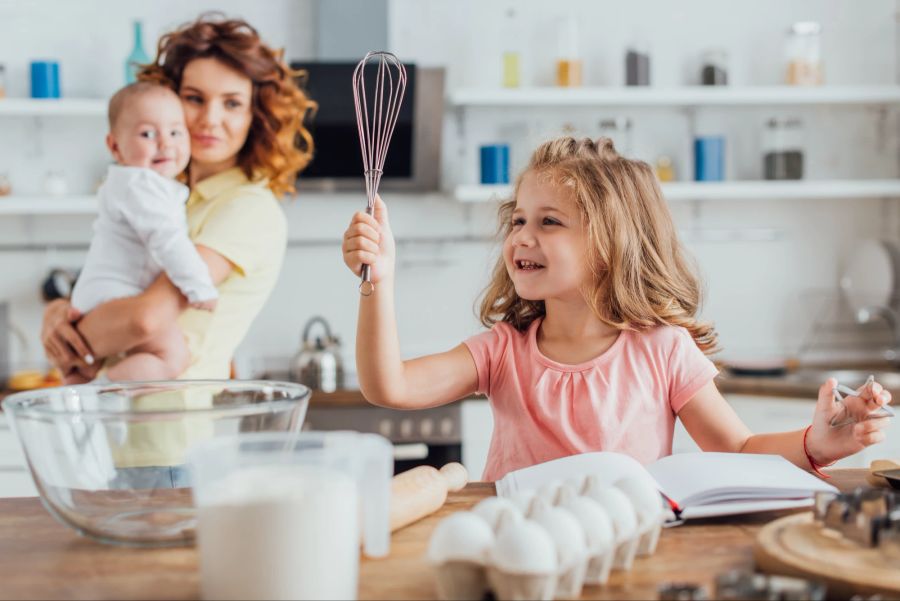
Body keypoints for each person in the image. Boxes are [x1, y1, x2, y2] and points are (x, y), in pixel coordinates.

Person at [342, 136, 892, 481]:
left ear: (611, 246)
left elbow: (739, 448)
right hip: (519, 549)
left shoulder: (663, 350)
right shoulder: (502, 352)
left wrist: (818, 443)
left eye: (548, 221)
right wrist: (379, 282)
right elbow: (389, 386)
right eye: (518, 220)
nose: (521, 238)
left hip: (627, 548)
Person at [40, 15, 315, 487]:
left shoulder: (247, 207)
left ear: (256, 117)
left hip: (171, 443)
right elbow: (111, 287)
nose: (210, 119)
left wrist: (72, 330)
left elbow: (144, 319)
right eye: (194, 99)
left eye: (232, 103)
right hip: (123, 440)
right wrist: (59, 315)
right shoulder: (159, 195)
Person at [69, 81, 218, 384]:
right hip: (114, 293)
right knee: (172, 356)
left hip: (105, 292)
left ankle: (86, 389)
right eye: (147, 134)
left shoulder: (139, 185)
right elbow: (169, 241)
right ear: (114, 146)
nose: (165, 143)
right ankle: (100, 396)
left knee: (84, 367)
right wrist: (200, 287)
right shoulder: (140, 185)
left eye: (176, 132)